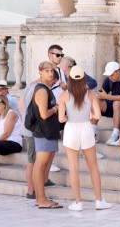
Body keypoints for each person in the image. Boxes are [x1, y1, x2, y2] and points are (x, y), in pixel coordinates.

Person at [58, 66, 112, 211]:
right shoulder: (89, 94)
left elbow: (61, 118)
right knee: (93, 167)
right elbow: (98, 116)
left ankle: (78, 202)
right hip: (86, 128)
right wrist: (88, 116)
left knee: (73, 168)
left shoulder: (64, 95)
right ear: (83, 78)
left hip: (71, 129)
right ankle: (99, 201)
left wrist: (70, 116)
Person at [59, 56, 103, 159]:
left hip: (78, 115)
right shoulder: (64, 75)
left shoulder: (76, 73)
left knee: (74, 165)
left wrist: (82, 90)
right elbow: (97, 115)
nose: (59, 65)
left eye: (61, 63)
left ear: (66, 66)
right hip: (75, 114)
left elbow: (93, 82)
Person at [32, 61, 62, 209]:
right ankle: (41, 199)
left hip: (48, 131)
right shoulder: (42, 90)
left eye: (52, 70)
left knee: (43, 166)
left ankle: (40, 198)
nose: (51, 73)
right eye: (47, 71)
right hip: (43, 132)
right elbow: (44, 114)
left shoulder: (46, 89)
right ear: (40, 72)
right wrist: (56, 108)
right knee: (40, 165)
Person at [47, 44, 65, 172]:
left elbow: (63, 87)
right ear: (50, 55)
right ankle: (49, 163)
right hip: (51, 107)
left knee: (58, 134)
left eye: (61, 55)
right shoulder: (46, 70)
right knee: (52, 136)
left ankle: (51, 161)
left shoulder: (60, 71)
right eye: (57, 55)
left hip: (61, 106)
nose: (60, 58)